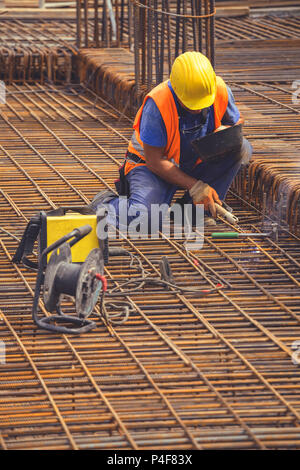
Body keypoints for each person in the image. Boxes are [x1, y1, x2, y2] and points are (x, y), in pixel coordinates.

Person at [90, 51, 252, 232]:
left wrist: (228, 131)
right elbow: (154, 161)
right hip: (152, 168)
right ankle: (107, 204)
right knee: (144, 220)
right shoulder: (158, 104)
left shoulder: (217, 89)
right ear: (177, 90)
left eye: (202, 104)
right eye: (192, 105)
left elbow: (237, 121)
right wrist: (196, 186)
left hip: (193, 161)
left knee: (241, 147)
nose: (198, 110)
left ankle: (192, 211)